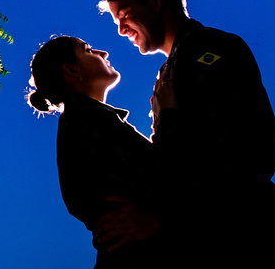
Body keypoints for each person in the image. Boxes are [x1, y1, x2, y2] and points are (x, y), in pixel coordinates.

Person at [98, 0, 275, 267]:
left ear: (155, 0)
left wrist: (160, 218)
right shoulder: (168, 74)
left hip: (258, 241)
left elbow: (251, 157)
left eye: (124, 14)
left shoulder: (213, 50)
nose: (121, 30)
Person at [27, 36, 169, 267]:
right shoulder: (89, 122)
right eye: (89, 50)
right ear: (72, 70)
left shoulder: (85, 122)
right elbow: (166, 179)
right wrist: (169, 120)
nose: (103, 53)